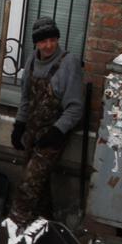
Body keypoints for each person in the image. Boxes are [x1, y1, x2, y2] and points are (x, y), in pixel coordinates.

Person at [8, 16, 84, 226]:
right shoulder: (32, 60)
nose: (48, 45)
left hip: (54, 134)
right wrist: (19, 125)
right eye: (43, 41)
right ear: (36, 42)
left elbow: (76, 107)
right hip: (32, 132)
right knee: (38, 188)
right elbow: (26, 97)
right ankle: (46, 227)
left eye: (52, 39)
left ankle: (14, 227)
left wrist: (58, 131)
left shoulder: (69, 63)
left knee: (28, 183)